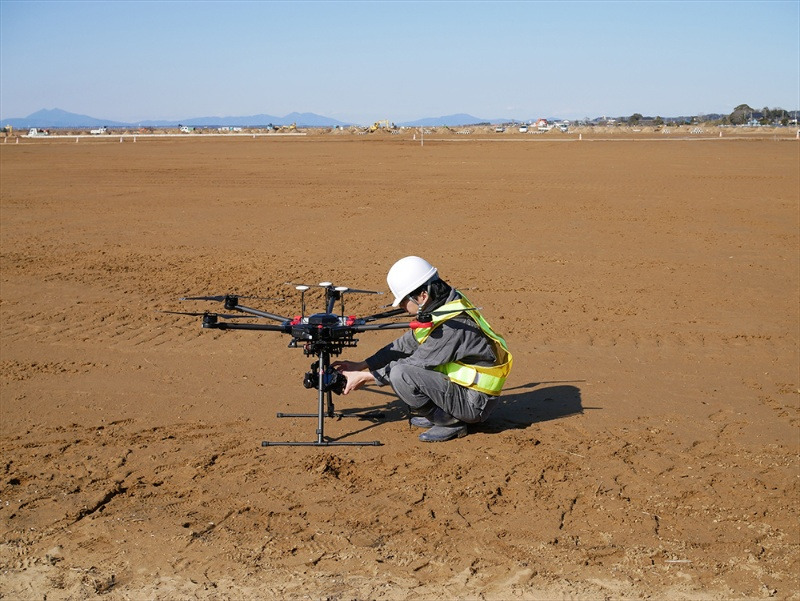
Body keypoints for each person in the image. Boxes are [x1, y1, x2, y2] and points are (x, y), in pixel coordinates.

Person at [332, 256, 512, 442]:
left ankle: (450, 422)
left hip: (474, 403)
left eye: (403, 301)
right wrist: (363, 364)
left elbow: (414, 363)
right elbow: (405, 344)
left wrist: (365, 376)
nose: (401, 306)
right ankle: (445, 412)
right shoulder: (443, 304)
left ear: (423, 296)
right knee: (402, 370)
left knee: (400, 374)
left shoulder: (452, 327)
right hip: (466, 391)